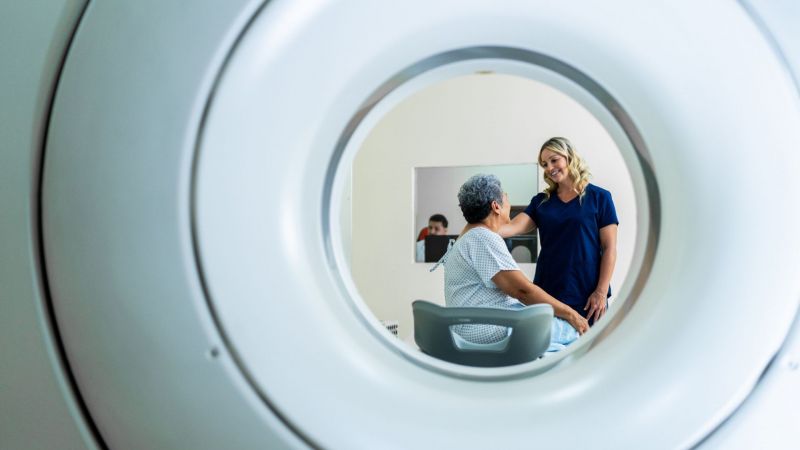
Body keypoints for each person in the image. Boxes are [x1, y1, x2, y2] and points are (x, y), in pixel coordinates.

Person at [434, 174, 588, 350]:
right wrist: (572, 314)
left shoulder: (467, 238)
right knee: (574, 331)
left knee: (553, 332)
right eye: (506, 197)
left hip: (470, 326)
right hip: (485, 328)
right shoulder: (482, 237)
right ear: (496, 206)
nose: (509, 203)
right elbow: (522, 291)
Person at [500, 137, 618, 325]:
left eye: (554, 160)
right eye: (545, 164)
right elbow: (511, 228)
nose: (549, 168)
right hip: (548, 295)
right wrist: (478, 225)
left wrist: (601, 292)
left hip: (588, 297)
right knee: (549, 353)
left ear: (569, 157)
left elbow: (610, 248)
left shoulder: (600, 197)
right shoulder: (541, 202)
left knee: (593, 351)